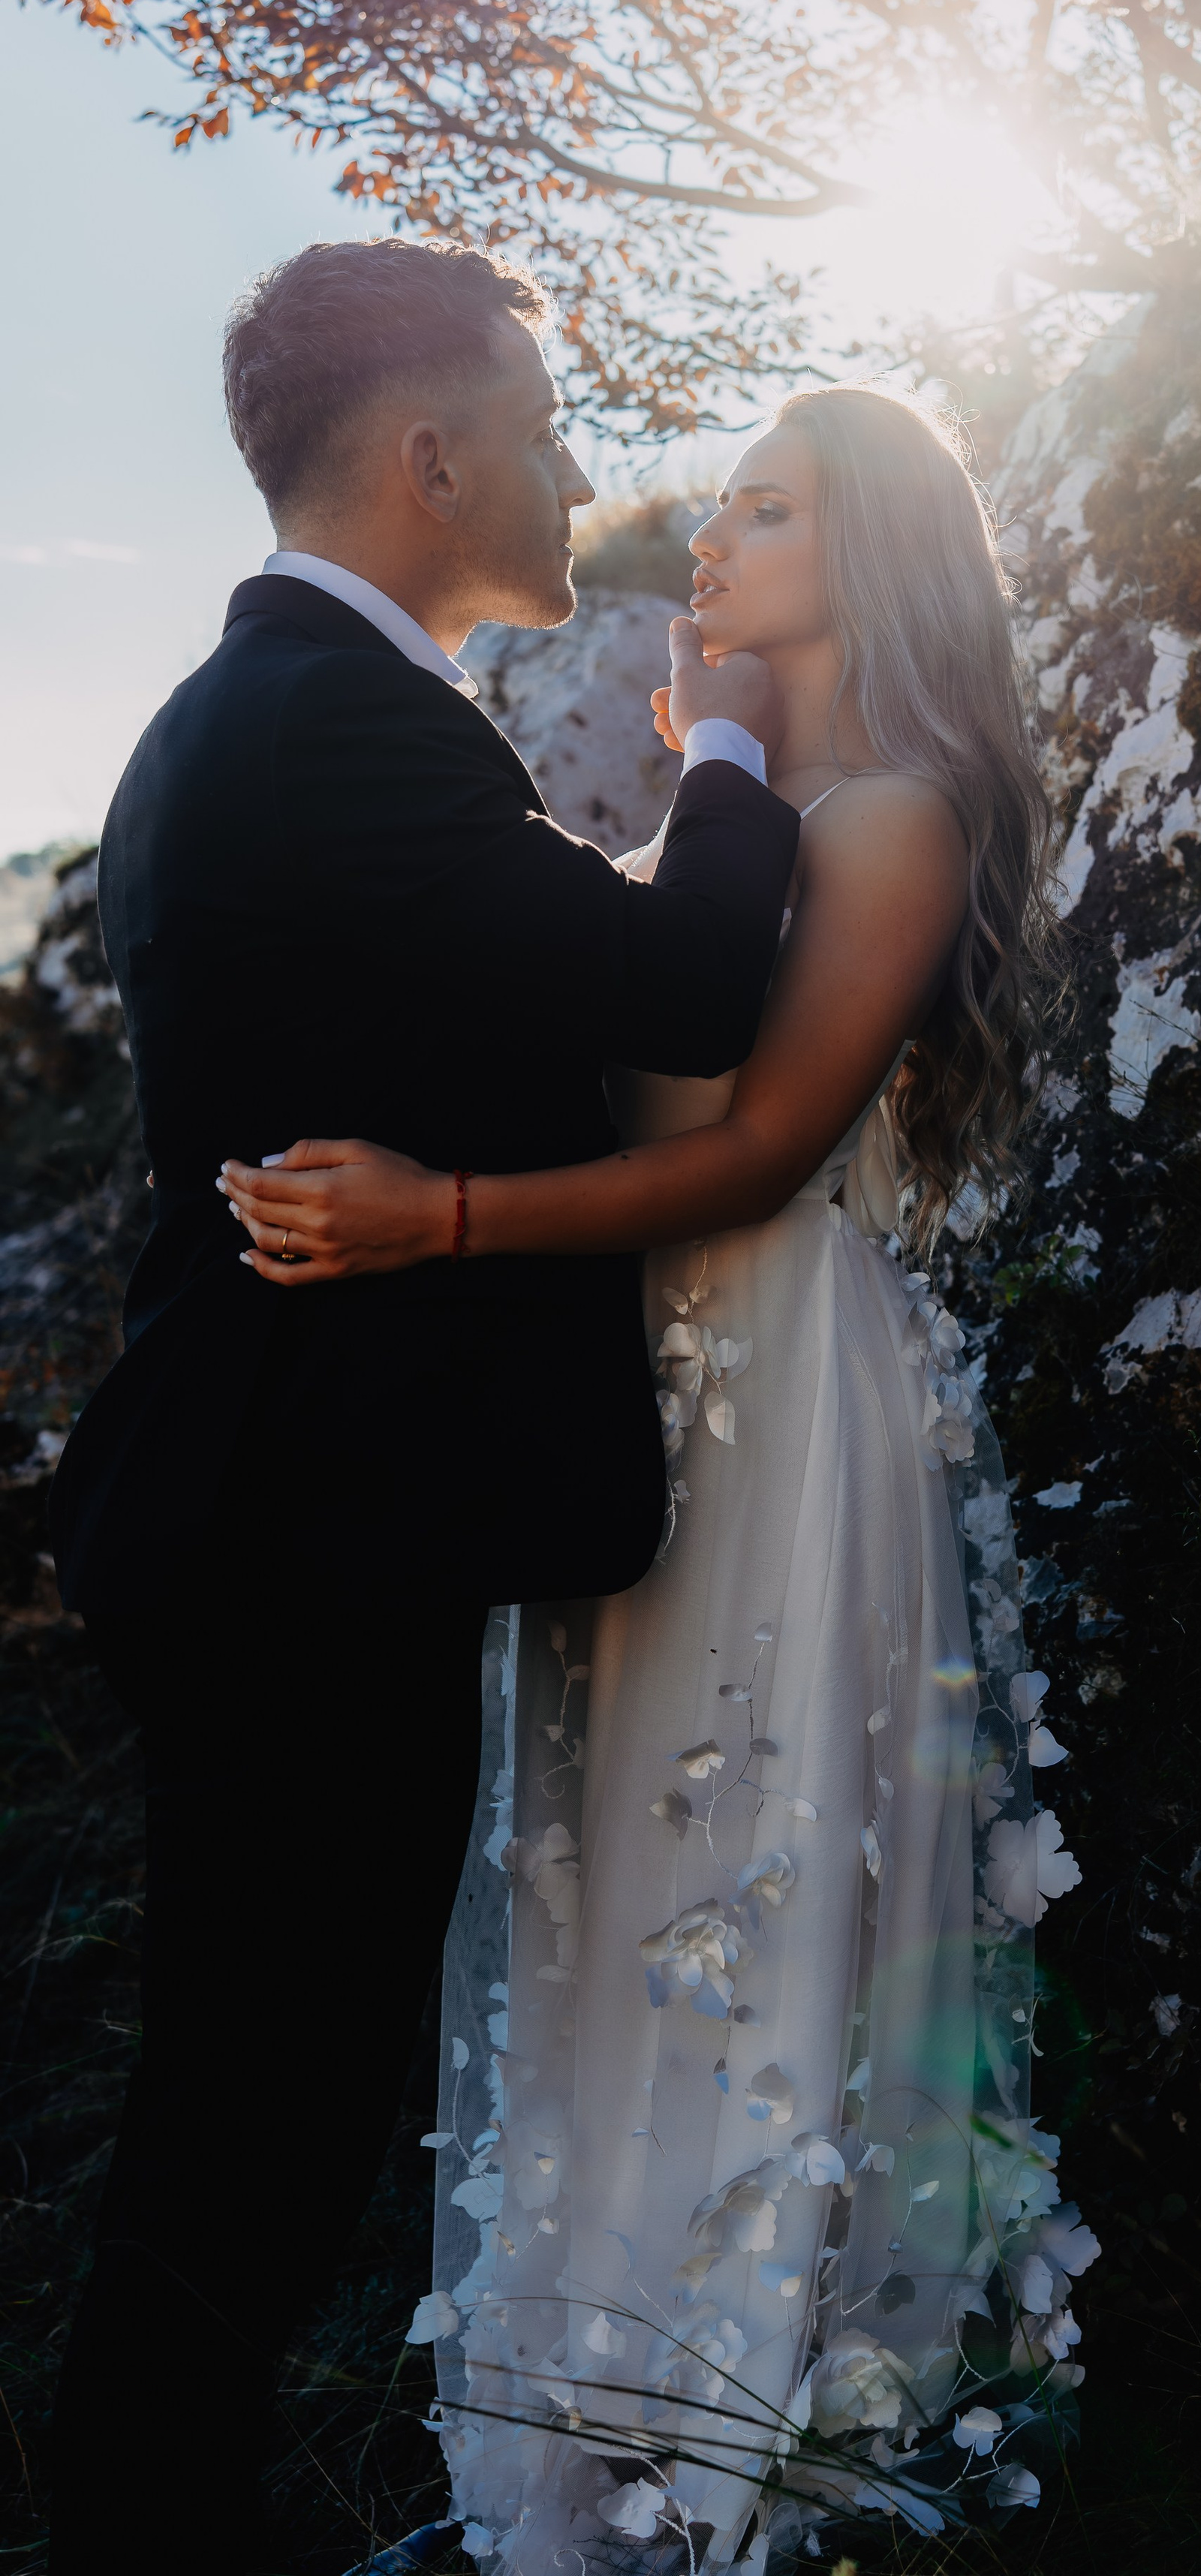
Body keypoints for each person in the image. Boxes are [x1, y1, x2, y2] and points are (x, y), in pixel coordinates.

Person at [218, 387, 1094, 2571]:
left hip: (792, 1392)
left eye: (772, 509)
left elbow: (762, 1149)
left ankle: (758, 2430)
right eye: (723, 504)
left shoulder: (893, 812)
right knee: (605, 1883)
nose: (714, 537)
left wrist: (431, 1220)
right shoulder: (740, 810)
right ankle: (596, 2416)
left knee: (758, 1870)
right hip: (630, 1403)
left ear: (873, 549)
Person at [46, 238, 799, 2576]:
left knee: (260, 2107)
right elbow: (682, 964)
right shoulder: (323, 723)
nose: (581, 475)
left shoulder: (274, 710)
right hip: (293, 1530)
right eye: (550, 426)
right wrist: (733, 744)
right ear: (434, 453)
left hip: (283, 1504)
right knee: (253, 2123)